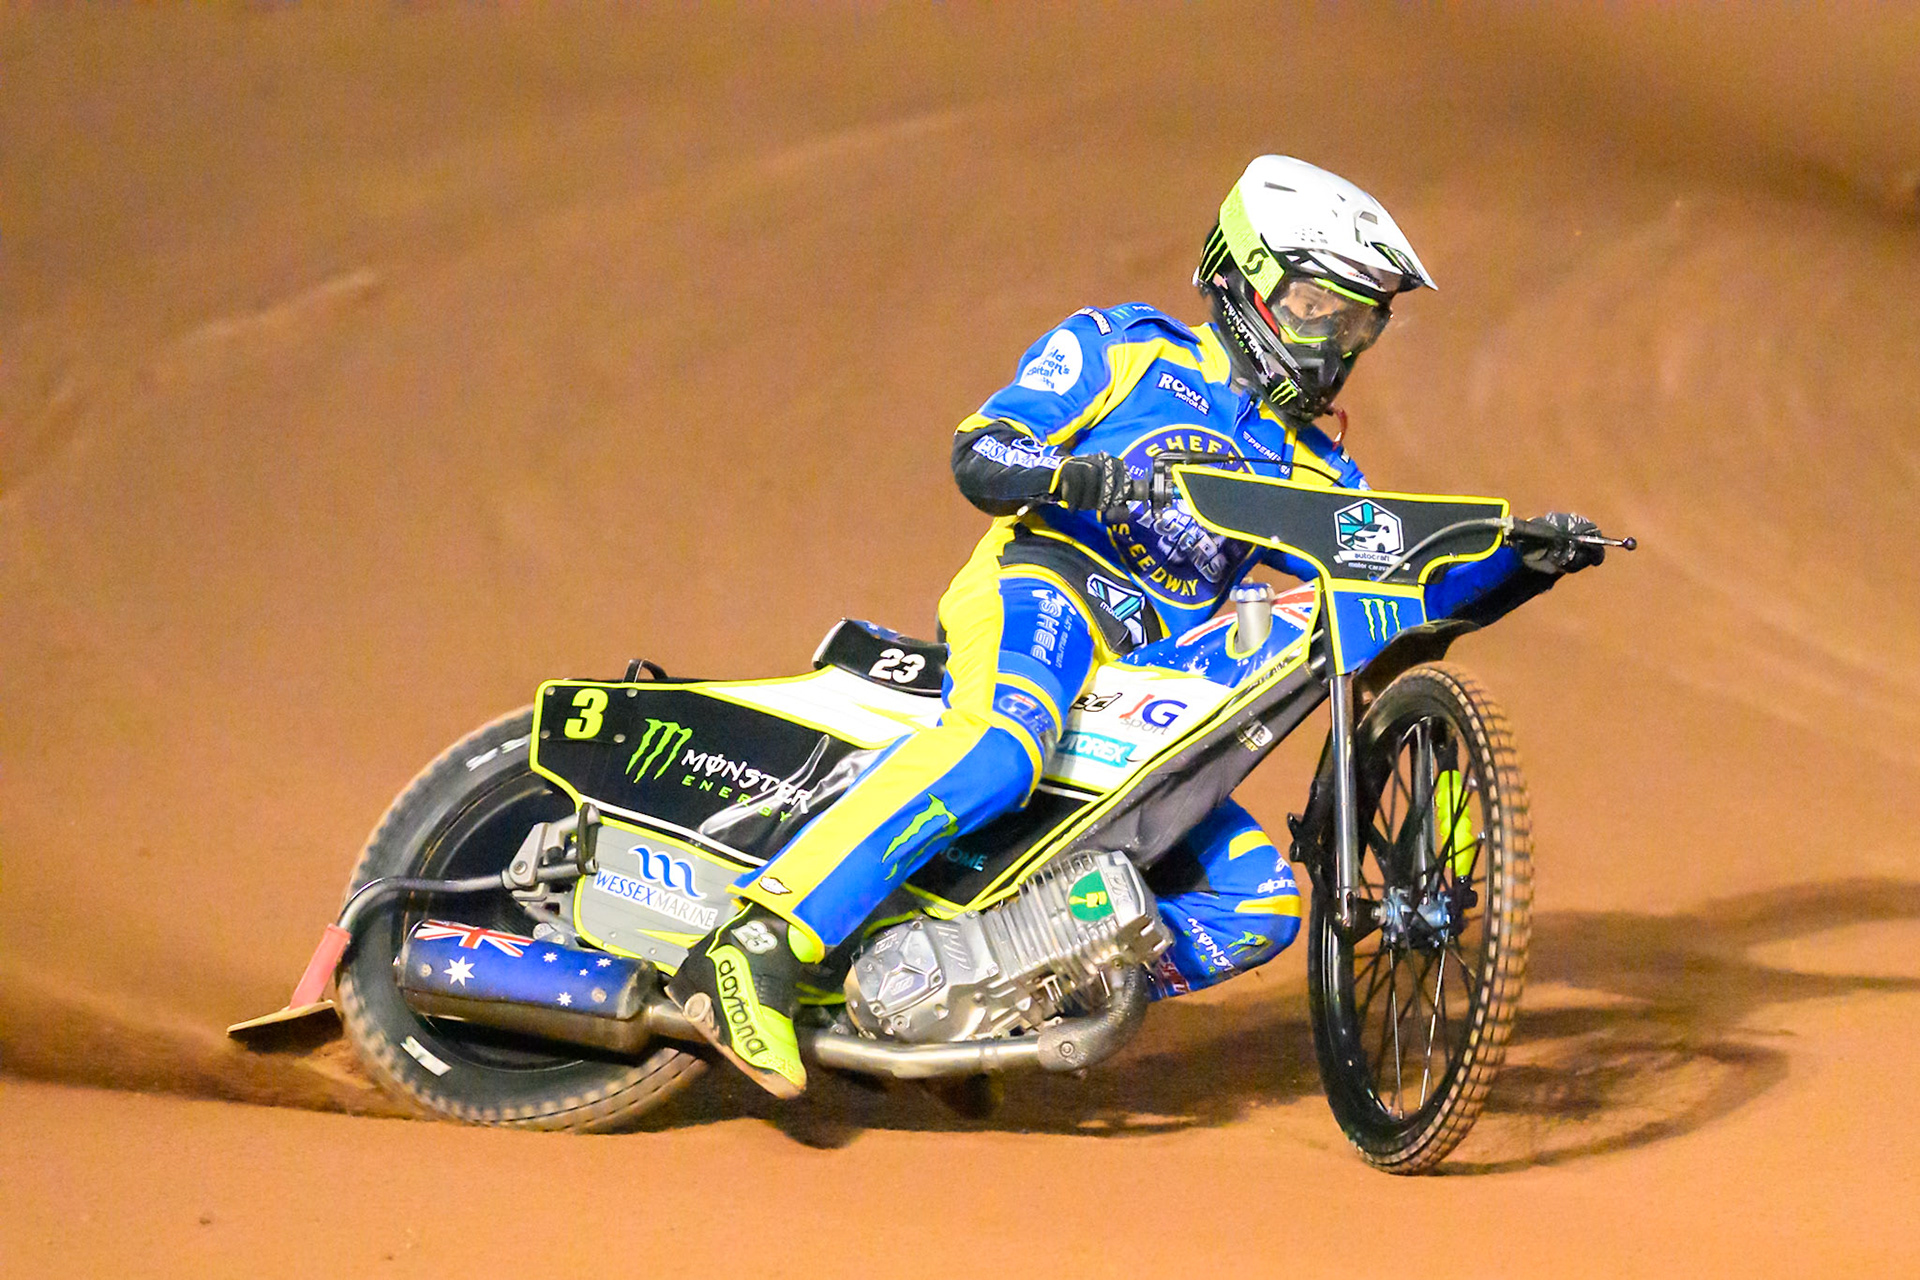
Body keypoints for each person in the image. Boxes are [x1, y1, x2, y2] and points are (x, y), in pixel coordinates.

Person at [665, 155, 1600, 1096]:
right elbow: (981, 452)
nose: (1336, 342)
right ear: (1249, 279)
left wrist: (1520, 563)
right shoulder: (1129, 350)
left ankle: (981, 987)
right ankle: (757, 942)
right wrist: (1073, 477)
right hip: (1046, 592)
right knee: (1004, 745)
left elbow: (1397, 583)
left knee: (1258, 905)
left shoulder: (1311, 461)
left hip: (1149, 684)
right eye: (1320, 307)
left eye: (1359, 322)